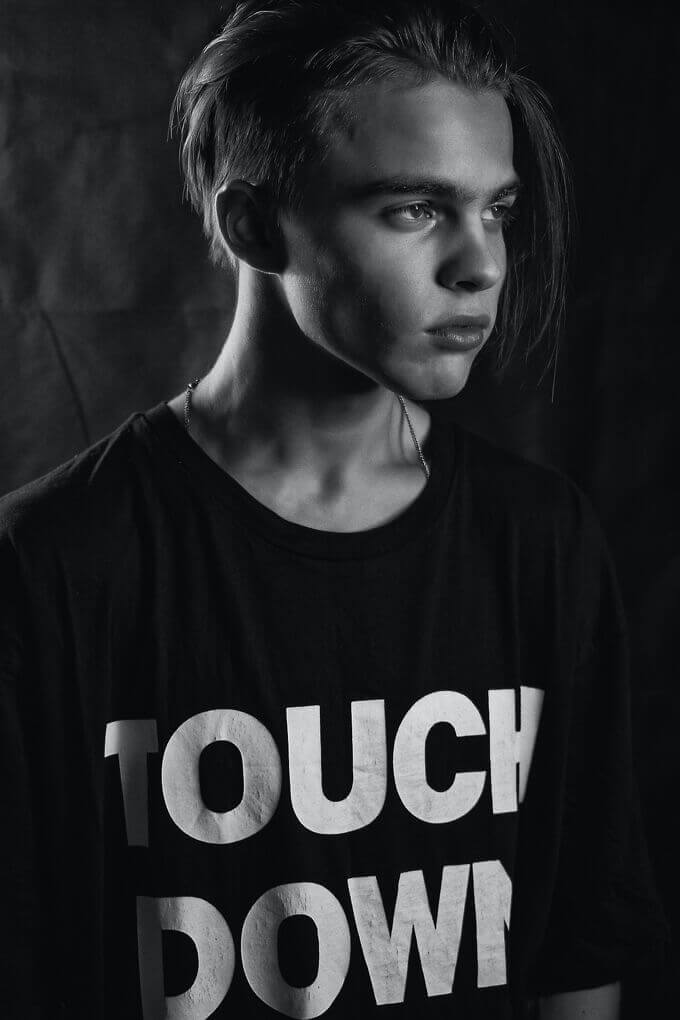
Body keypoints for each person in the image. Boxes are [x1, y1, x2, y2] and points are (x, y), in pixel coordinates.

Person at [0, 1, 666, 1017]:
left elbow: (582, 945)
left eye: (496, 208)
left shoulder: (538, 539)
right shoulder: (52, 565)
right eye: (414, 209)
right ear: (254, 224)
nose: (482, 264)